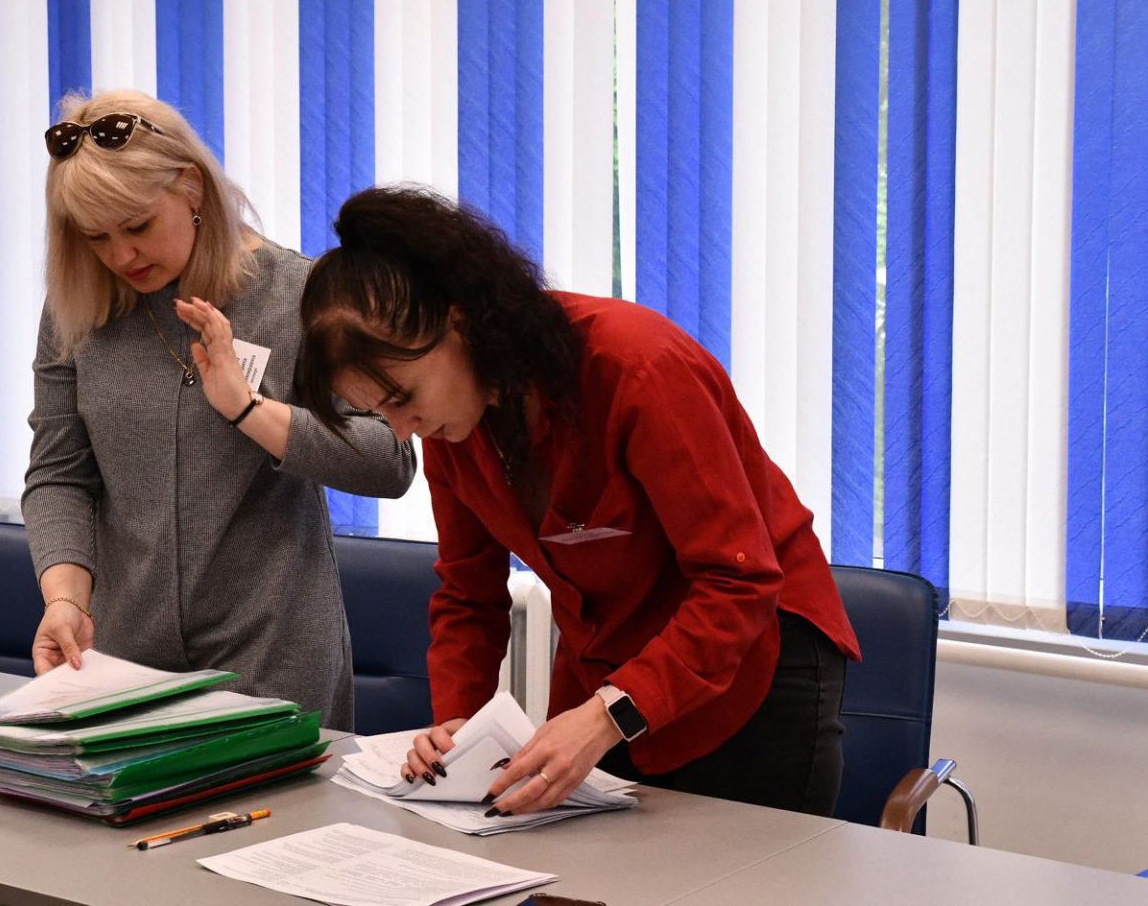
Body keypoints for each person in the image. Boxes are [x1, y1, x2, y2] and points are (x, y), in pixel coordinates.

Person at [296, 186, 860, 815]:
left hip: (757, 659)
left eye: (401, 398)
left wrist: (607, 715)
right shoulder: (454, 428)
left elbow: (738, 580)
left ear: (459, 323)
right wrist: (457, 723)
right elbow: (468, 595)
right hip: (613, 674)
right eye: (380, 413)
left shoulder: (637, 369)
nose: (402, 431)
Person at [21, 90, 416, 730]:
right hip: (125, 662)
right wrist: (65, 598)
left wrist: (249, 409)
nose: (121, 256)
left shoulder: (297, 294)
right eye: (96, 237)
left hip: (273, 660)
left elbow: (389, 461)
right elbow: (59, 474)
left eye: (137, 226)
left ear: (191, 188)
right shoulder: (78, 310)